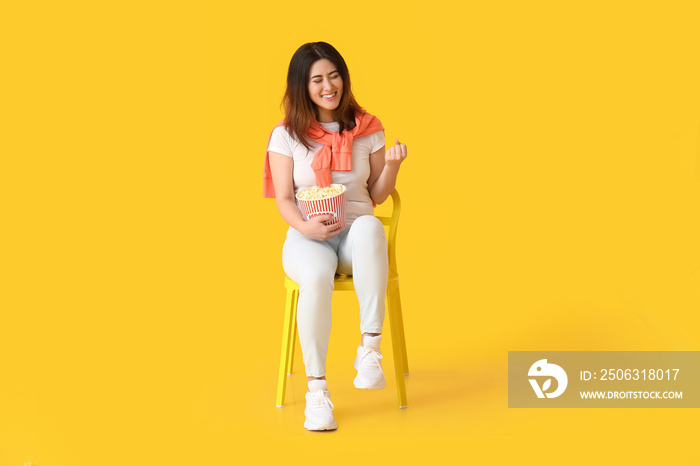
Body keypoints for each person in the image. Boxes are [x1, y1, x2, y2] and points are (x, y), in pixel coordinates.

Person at [263, 42, 407, 431]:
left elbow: (376, 196)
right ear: (301, 86)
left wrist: (391, 167)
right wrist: (305, 227)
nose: (329, 86)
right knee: (314, 277)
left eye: (334, 75)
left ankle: (370, 351)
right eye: (317, 79)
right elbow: (284, 198)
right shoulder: (286, 136)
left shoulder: (368, 128)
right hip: (308, 238)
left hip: (355, 239)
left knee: (369, 225)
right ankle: (317, 392)